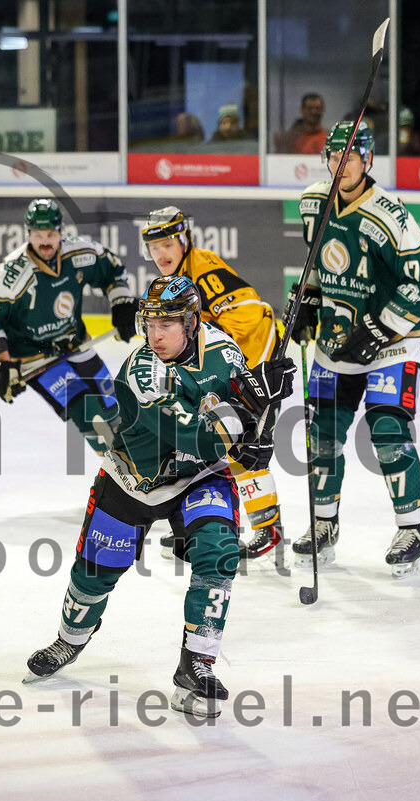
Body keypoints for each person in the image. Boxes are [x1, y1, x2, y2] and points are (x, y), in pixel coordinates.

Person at [23, 276, 295, 717]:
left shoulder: (224, 351)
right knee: (94, 575)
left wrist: (264, 407)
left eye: (167, 323)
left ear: (192, 321)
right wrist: (247, 409)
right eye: (150, 323)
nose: (156, 334)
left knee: (219, 554)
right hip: (133, 481)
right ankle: (69, 640)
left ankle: (196, 667)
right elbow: (192, 434)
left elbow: (246, 415)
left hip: (200, 479)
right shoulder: (140, 371)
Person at [289, 120, 420, 577]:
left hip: (393, 342)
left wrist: (379, 330)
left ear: (367, 160)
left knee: (387, 429)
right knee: (323, 432)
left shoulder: (391, 215)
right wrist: (308, 301)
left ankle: (412, 528)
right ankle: (325, 524)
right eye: (334, 157)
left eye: (350, 158)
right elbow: (317, 259)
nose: (340, 165)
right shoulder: (314, 202)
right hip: (337, 340)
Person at [142, 207, 286, 565]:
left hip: (254, 363)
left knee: (241, 445)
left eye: (167, 243)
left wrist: (247, 380)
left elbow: (253, 318)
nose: (160, 254)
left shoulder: (202, 269)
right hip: (234, 367)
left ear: (184, 239)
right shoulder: (181, 276)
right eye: (153, 246)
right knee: (205, 443)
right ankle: (201, 526)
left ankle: (267, 529)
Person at [0, 198, 137, 455]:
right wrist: (5, 364)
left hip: (77, 344)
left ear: (61, 232)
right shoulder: (12, 274)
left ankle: (145, 467)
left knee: (117, 409)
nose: (45, 241)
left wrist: (122, 304)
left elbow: (113, 268)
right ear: (28, 234)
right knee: (91, 417)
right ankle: (122, 476)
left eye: (51, 234)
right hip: (36, 359)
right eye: (38, 234)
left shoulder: (79, 254)